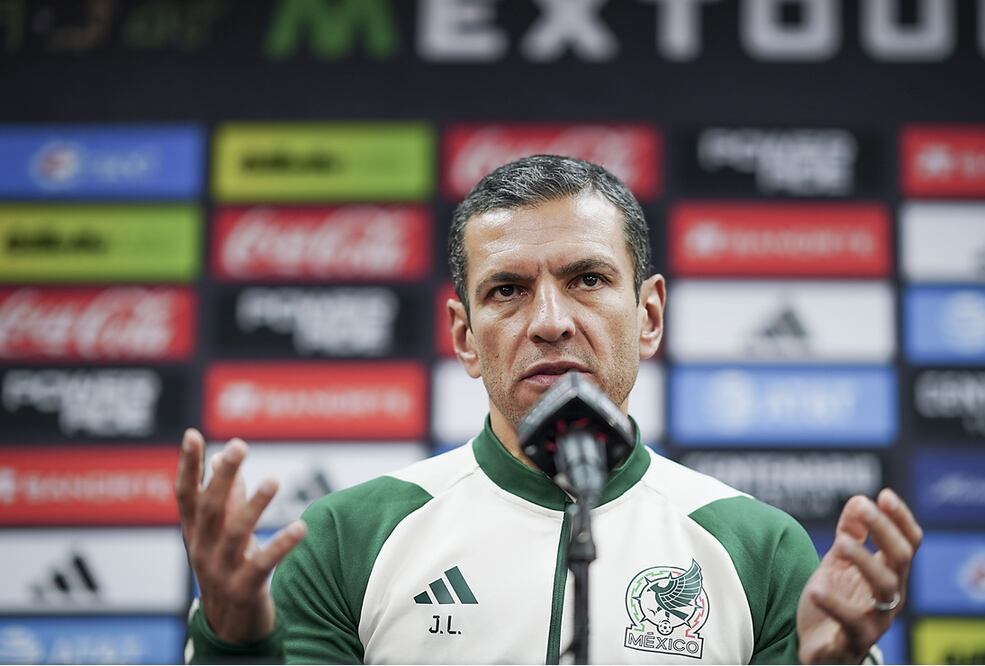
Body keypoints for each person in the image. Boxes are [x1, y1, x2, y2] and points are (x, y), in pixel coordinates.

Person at [176, 155, 922, 664]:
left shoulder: (758, 547)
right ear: (465, 337)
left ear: (649, 315)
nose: (550, 321)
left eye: (587, 279)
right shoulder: (350, 536)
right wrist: (232, 643)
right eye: (507, 290)